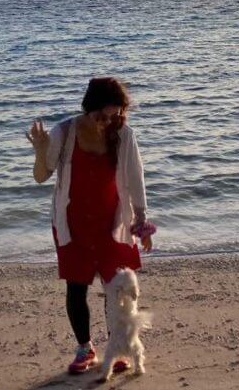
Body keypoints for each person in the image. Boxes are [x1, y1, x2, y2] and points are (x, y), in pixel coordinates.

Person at [26, 77, 154, 374]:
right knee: (76, 287)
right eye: (103, 115)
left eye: (115, 115)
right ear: (89, 107)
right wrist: (40, 150)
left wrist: (141, 221)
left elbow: (136, 177)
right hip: (73, 223)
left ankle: (117, 346)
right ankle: (85, 349)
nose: (109, 121)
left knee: (117, 289)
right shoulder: (65, 132)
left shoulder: (124, 134)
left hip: (113, 222)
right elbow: (41, 176)